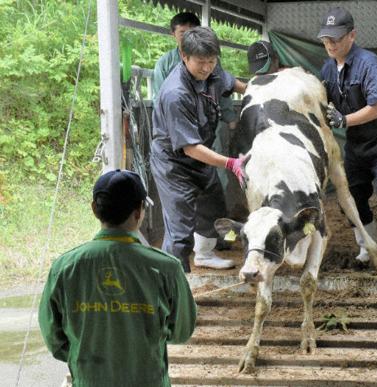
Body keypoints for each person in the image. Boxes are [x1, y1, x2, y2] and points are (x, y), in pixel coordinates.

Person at [38, 169, 196, 387]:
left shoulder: (65, 267)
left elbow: (54, 339)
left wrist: (86, 358)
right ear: (139, 211)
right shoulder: (166, 268)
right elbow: (181, 332)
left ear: (94, 209)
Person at [318, 7, 377, 274]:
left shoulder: (368, 63)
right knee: (351, 196)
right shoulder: (327, 68)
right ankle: (366, 246)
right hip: (357, 142)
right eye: (326, 39)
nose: (330, 44)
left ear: (352, 35)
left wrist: (344, 120)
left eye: (336, 39)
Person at [151, 26, 247, 273]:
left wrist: (261, 91)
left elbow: (233, 83)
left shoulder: (212, 74)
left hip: (201, 157)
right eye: (201, 62)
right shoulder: (176, 93)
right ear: (184, 56)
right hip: (175, 163)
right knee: (180, 229)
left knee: (214, 209)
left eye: (212, 61)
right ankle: (173, 286)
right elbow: (190, 148)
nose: (207, 67)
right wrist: (230, 163)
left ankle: (203, 255)